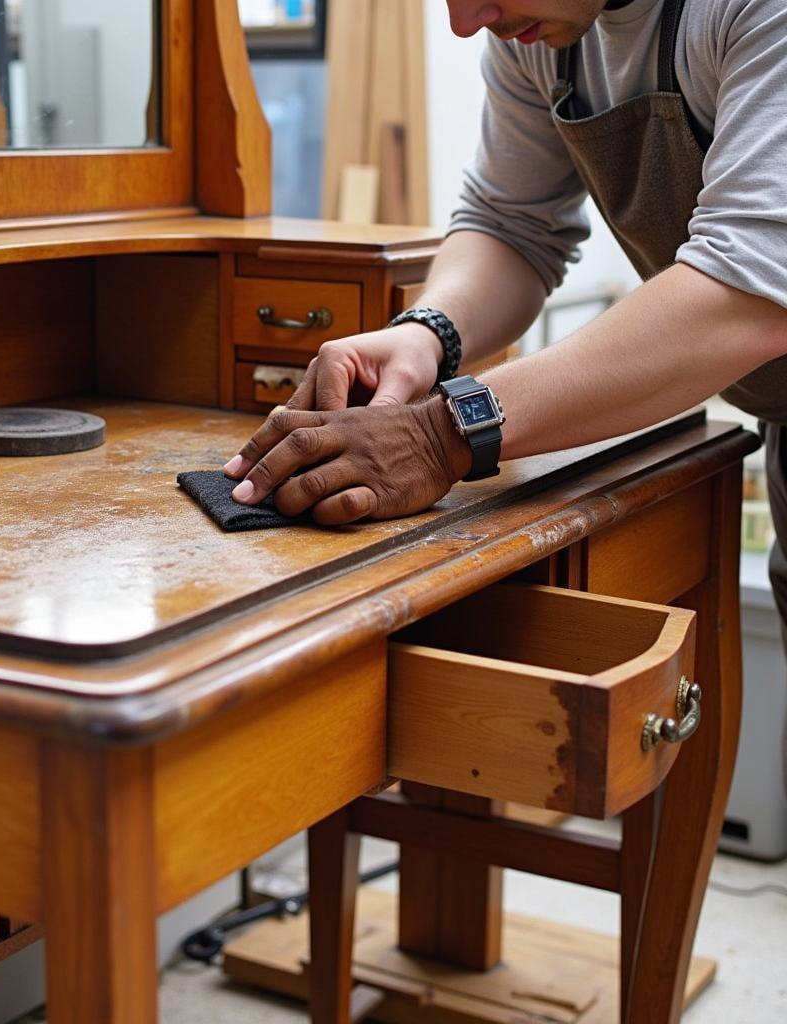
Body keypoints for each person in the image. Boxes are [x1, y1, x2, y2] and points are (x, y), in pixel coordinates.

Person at [223, 0, 787, 672]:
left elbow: (748, 291)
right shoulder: (540, 29)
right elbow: (510, 223)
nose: (467, 20)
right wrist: (428, 332)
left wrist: (444, 433)